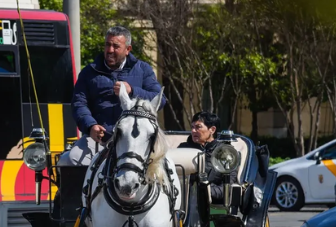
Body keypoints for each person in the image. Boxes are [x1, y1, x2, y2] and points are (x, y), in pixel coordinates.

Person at [68, 25, 166, 166]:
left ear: (128, 49)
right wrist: (90, 126)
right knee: (74, 158)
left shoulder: (143, 69)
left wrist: (132, 90)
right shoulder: (89, 72)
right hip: (99, 140)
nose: (110, 50)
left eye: (116, 46)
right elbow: (79, 103)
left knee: (162, 162)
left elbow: (160, 99)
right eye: (107, 45)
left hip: (135, 140)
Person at [178, 111, 237, 204]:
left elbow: (228, 186)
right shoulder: (182, 149)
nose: (193, 131)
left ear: (212, 130)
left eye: (198, 127)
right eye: (192, 127)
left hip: (213, 205)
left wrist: (207, 190)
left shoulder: (225, 152)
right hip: (183, 202)